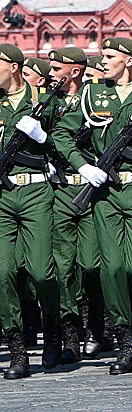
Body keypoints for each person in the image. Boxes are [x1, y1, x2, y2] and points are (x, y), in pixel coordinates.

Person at [52, 38, 132, 375]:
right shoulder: (91, 94)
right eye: (103, 56)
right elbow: (62, 134)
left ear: (129, 61)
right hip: (105, 192)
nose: (103, 62)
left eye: (111, 57)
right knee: (112, 269)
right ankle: (125, 342)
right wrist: (82, 165)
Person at [0, 44, 62, 379]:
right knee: (2, 273)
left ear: (13, 67)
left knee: (40, 271)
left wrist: (42, 137)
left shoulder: (42, 101)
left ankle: (52, 326)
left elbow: (66, 145)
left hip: (36, 191)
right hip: (1, 197)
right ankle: (17, 349)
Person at [46, 47, 99, 365]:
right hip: (61, 191)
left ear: (75, 71)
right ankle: (70, 334)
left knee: (92, 266)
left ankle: (97, 326)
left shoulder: (94, 99)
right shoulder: (47, 102)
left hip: (93, 191)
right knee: (63, 269)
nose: (51, 74)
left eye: (56, 69)